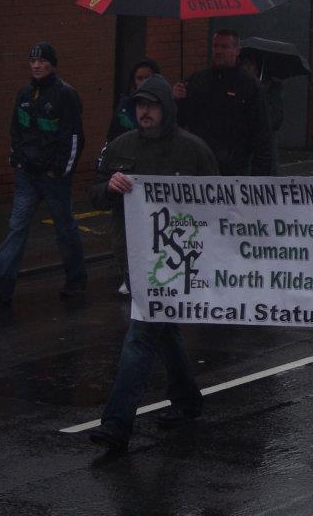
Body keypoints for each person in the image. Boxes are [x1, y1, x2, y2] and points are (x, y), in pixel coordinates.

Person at [87, 74, 219, 451]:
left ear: (167, 110)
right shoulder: (121, 146)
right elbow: (94, 193)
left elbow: (219, 200)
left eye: (152, 106)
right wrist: (108, 187)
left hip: (177, 260)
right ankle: (187, 399)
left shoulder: (193, 150)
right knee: (163, 329)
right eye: (140, 106)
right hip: (133, 256)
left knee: (143, 333)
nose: (144, 112)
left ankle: (117, 423)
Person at [0, 42, 87, 305]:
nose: (36, 65)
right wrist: (17, 158)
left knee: (64, 229)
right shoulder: (24, 93)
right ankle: (0, 284)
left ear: (52, 64)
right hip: (28, 174)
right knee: (17, 227)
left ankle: (76, 280)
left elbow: (73, 138)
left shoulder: (65, 95)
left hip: (53, 178)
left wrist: (59, 170)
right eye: (32, 61)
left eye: (42, 61)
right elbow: (16, 128)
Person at [174, 29, 274, 176]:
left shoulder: (249, 85)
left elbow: (262, 133)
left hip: (235, 170)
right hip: (200, 166)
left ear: (237, 50)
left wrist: (259, 176)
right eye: (215, 46)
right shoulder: (198, 80)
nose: (218, 51)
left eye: (224, 46)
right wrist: (178, 100)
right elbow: (182, 120)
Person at [101, 57, 161, 297]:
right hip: (127, 175)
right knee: (122, 236)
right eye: (139, 78)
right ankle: (128, 274)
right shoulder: (125, 107)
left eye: (148, 77)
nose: (143, 82)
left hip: (152, 178)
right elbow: (112, 137)